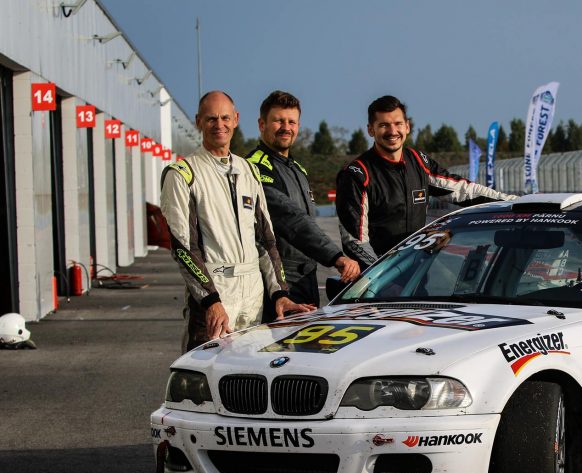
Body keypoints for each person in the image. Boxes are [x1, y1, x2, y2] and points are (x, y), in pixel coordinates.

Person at [160, 90, 313, 352]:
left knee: (249, 380)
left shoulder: (248, 170)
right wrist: (211, 301)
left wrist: (280, 293)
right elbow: (184, 248)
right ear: (199, 121)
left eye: (225, 118)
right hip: (216, 295)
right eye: (211, 119)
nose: (219, 125)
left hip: (253, 296)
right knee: (204, 379)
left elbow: (266, 240)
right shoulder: (183, 174)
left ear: (236, 119)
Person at [336, 95, 516, 268]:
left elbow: (463, 190)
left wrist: (514, 201)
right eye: (383, 125)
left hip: (413, 270)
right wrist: (381, 276)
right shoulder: (356, 174)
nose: (392, 131)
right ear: (370, 130)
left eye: (398, 124)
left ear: (407, 126)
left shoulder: (419, 161)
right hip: (375, 278)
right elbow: (355, 241)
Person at [247, 90, 359, 309]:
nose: (286, 127)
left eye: (292, 122)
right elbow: (292, 220)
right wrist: (336, 257)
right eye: (278, 120)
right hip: (277, 285)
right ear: (262, 124)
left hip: (307, 279)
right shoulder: (254, 167)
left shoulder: (298, 170)